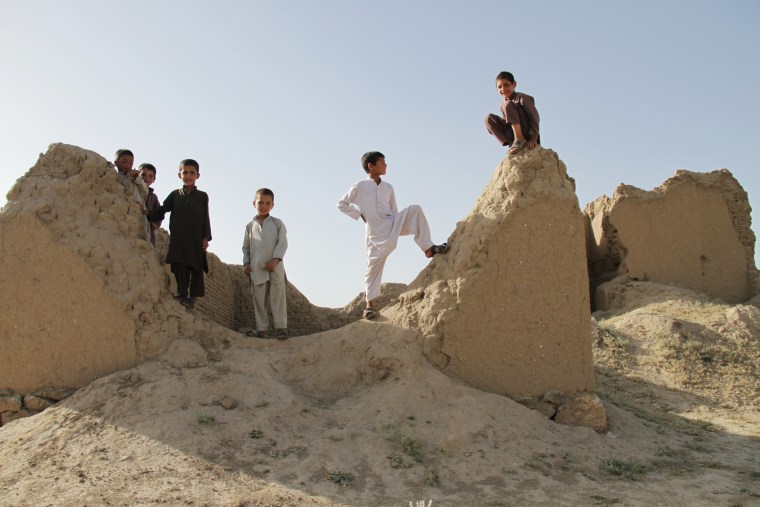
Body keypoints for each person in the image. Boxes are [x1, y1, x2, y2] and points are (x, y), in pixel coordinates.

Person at [338, 151, 449, 320]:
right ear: (371, 166)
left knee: (415, 210)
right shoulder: (359, 186)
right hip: (374, 232)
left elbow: (394, 210)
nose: (386, 165)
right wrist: (359, 214)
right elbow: (342, 204)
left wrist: (396, 224)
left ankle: (428, 247)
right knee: (372, 267)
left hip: (391, 223)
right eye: (382, 162)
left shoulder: (389, 187)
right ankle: (369, 305)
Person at [149, 159, 211, 309]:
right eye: (185, 172)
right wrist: (149, 215)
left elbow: (205, 217)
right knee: (179, 266)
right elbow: (163, 209)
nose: (188, 176)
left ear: (198, 175)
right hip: (179, 238)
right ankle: (182, 293)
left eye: (192, 173)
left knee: (196, 268)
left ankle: (193, 298)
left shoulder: (202, 196)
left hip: (196, 238)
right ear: (179, 175)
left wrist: (206, 237)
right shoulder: (175, 195)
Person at [242, 188, 289, 340]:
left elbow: (283, 243)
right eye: (260, 202)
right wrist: (246, 263)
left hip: (275, 267)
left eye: (267, 203)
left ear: (272, 205)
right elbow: (246, 247)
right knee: (259, 300)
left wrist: (275, 260)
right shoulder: (250, 226)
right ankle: (261, 330)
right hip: (257, 268)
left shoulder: (277, 223)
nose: (264, 206)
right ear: (254, 203)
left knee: (278, 298)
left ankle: (282, 329)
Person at [484, 71, 540, 155]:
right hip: (513, 134)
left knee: (508, 105)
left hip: (527, 132)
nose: (503, 89)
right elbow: (508, 123)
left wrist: (533, 139)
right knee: (488, 118)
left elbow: (534, 117)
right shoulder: (503, 105)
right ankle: (513, 143)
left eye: (506, 85)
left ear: (514, 84)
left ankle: (519, 139)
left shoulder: (522, 97)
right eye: (500, 87)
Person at [113, 149, 150, 240]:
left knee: (144, 235)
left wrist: (138, 178)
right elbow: (125, 191)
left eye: (130, 163)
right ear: (116, 163)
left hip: (140, 212)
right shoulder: (116, 177)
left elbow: (146, 191)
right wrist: (128, 178)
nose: (127, 165)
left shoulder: (136, 179)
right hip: (127, 213)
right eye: (124, 162)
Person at [138, 163, 162, 245]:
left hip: (148, 230)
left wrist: (155, 224)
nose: (147, 178)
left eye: (150, 176)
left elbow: (160, 213)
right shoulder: (135, 189)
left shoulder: (153, 197)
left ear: (154, 179)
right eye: (143, 175)